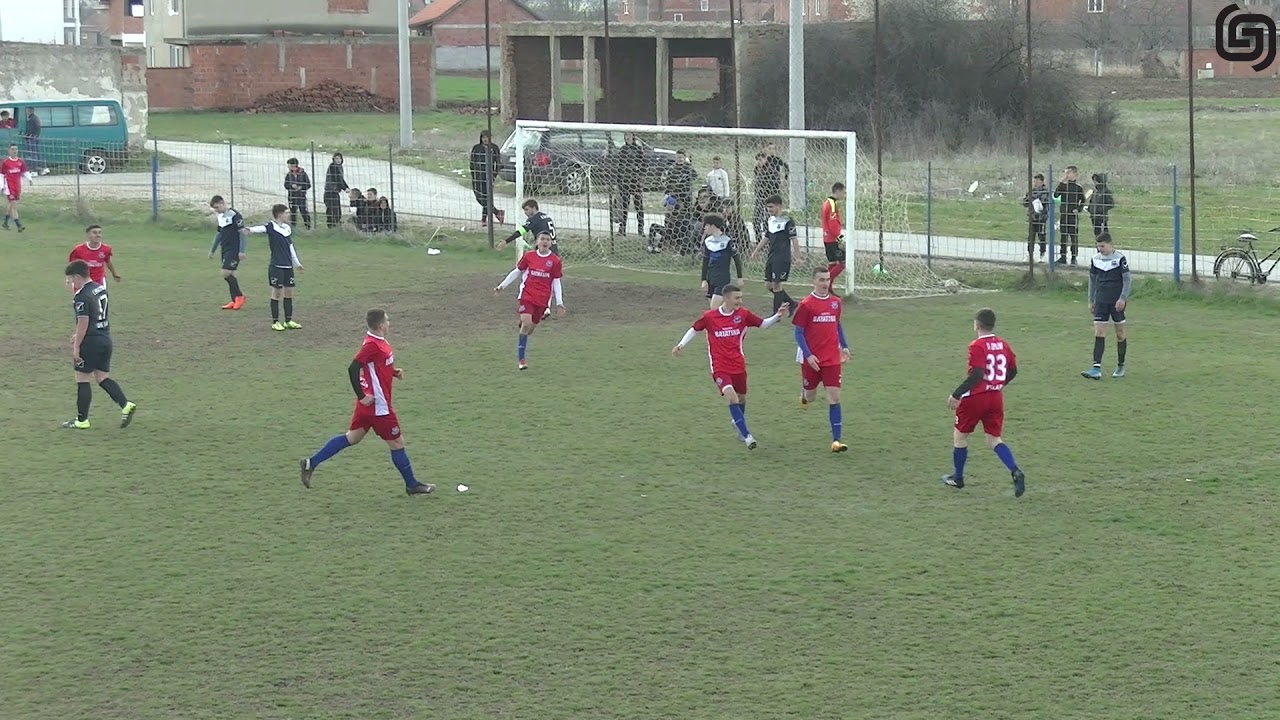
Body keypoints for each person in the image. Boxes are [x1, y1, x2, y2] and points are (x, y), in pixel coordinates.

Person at [299, 309, 435, 495]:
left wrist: (392, 372)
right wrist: (362, 396)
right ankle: (411, 485)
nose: (389, 323)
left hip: (369, 405)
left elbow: (375, 365)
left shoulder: (377, 341)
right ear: (380, 325)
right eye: (387, 320)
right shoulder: (372, 345)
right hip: (377, 406)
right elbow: (353, 368)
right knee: (397, 443)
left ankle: (310, 463)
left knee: (352, 437)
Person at [671, 285, 789, 450]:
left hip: (738, 365)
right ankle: (747, 436)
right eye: (737, 298)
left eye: (741, 298)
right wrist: (681, 345)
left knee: (741, 399)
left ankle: (737, 422)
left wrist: (777, 316)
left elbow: (763, 324)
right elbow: (694, 329)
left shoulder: (743, 314)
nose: (740, 301)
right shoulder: (710, 317)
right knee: (732, 397)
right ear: (726, 299)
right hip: (720, 367)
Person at [943, 307, 1025, 497]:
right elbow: (1013, 371)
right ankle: (1015, 471)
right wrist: (998, 384)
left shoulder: (976, 346)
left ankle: (958, 478)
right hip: (995, 397)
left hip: (975, 399)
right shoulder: (1003, 345)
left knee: (960, 438)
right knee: (993, 440)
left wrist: (956, 394)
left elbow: (977, 374)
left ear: (977, 325)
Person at [62, 260, 138, 430]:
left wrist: (76, 346)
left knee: (82, 379)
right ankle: (125, 405)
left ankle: (82, 420)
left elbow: (84, 321)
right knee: (102, 377)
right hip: (105, 339)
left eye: (72, 279)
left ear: (76, 276)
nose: (72, 283)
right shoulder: (99, 288)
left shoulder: (81, 296)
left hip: (90, 342)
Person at [793, 267, 851, 453]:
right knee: (810, 397)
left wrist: (845, 346)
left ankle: (836, 441)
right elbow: (798, 332)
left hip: (832, 359)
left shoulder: (836, 302)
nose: (826, 283)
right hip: (812, 359)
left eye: (827, 280)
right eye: (821, 280)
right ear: (813, 282)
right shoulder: (806, 305)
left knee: (834, 397)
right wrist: (808, 355)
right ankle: (803, 394)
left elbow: (837, 325)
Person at [493, 232, 565, 371]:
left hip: (542, 300)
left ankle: (524, 324)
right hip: (527, 296)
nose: (545, 241)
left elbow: (556, 282)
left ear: (551, 243)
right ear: (537, 242)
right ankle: (521, 360)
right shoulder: (529, 256)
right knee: (526, 325)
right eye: (542, 239)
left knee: (529, 329)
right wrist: (502, 286)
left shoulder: (555, 261)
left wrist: (559, 303)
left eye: (548, 239)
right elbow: (516, 272)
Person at [1081, 232, 1131, 379]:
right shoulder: (1095, 260)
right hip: (1101, 301)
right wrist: (1091, 300)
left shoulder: (1120, 259)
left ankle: (1120, 365)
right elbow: (1092, 280)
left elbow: (1127, 280)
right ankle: (1096, 369)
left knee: (1120, 334)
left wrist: (1122, 298)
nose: (1100, 249)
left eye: (1102, 246)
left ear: (1110, 244)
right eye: (1098, 246)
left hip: (1116, 303)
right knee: (1099, 333)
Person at [248, 204, 304, 331]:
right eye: (286, 213)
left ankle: (288, 320)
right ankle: (275, 321)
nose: (289, 215)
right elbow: (260, 228)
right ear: (280, 214)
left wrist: (297, 264)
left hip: (288, 266)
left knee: (288, 292)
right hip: (276, 266)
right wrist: (249, 230)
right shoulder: (271, 227)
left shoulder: (287, 229)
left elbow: (290, 247)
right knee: (277, 292)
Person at [750, 194, 799, 314]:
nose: (769, 210)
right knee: (768, 285)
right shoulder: (770, 220)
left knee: (776, 285)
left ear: (779, 206)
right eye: (767, 207)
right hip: (771, 256)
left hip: (782, 257)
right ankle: (791, 303)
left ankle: (775, 314)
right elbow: (766, 237)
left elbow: (794, 239)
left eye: (771, 207)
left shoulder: (787, 221)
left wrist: (798, 257)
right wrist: (756, 251)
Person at [208, 195, 247, 310]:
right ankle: (234, 300)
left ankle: (240, 296)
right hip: (224, 249)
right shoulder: (220, 217)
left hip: (234, 249)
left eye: (217, 207)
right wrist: (213, 250)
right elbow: (219, 234)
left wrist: (242, 250)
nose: (216, 210)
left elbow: (242, 233)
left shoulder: (235, 215)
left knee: (226, 272)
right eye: (214, 208)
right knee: (232, 274)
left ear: (222, 203)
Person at [700, 213, 744, 309]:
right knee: (718, 310)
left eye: (706, 225)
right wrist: (703, 280)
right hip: (710, 278)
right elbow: (705, 261)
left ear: (712, 225)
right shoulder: (708, 241)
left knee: (713, 309)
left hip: (722, 279)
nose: (704, 228)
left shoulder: (727, 241)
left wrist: (740, 277)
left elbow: (736, 259)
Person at [470, 130, 505, 226]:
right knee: (479, 197)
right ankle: (497, 212)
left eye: (487, 137)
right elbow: (472, 163)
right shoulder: (476, 148)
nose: (485, 139)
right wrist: (474, 175)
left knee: (487, 197)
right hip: (478, 176)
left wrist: (493, 175)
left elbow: (498, 163)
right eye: (483, 137)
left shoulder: (494, 148)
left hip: (488, 176)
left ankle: (484, 219)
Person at [614, 132, 645, 236]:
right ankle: (622, 229)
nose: (628, 137)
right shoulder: (622, 150)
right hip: (625, 182)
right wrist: (619, 181)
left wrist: (640, 177)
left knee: (639, 206)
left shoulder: (639, 150)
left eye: (629, 135)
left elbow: (644, 165)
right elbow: (619, 166)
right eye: (626, 135)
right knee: (624, 206)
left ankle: (641, 230)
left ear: (633, 137)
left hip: (635, 182)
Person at [1053, 165, 1085, 265]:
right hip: (1064, 214)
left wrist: (1078, 209)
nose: (1066, 175)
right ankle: (1063, 256)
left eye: (1068, 173)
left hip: (1072, 215)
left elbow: (1082, 200)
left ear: (1074, 174)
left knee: (1073, 237)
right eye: (1065, 173)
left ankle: (1074, 257)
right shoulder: (1063, 186)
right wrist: (1061, 183)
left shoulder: (1078, 187)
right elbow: (1056, 195)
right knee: (1063, 236)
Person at [820, 182, 847, 283]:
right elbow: (832, 222)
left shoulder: (826, 202)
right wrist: (839, 236)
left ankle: (828, 288)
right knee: (843, 262)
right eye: (843, 193)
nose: (844, 195)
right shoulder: (832, 204)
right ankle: (825, 283)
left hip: (827, 238)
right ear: (838, 191)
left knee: (832, 263)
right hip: (832, 239)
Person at [2, 143, 30, 232]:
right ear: (9, 151)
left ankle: (5, 222)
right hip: (9, 187)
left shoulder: (20, 161)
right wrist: (1, 186)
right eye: (13, 149)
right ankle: (19, 225)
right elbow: (1, 175)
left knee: (11, 204)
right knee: (14, 205)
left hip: (17, 186)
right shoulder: (5, 162)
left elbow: (25, 171)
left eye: (16, 149)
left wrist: (30, 179)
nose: (15, 151)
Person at [1023, 173, 1050, 263]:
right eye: (1034, 181)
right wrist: (1029, 199)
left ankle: (1042, 254)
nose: (1035, 183)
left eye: (1037, 181)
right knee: (1031, 236)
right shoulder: (1031, 191)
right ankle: (1029, 254)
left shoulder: (1045, 191)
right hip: (1032, 217)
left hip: (1041, 218)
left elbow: (1044, 201)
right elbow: (1025, 202)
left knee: (1041, 236)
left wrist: (1034, 200)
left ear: (1042, 182)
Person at [284, 157, 312, 230]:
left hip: (301, 196)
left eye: (290, 165)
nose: (289, 167)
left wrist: (301, 187)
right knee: (293, 212)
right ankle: (293, 227)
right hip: (292, 196)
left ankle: (308, 226)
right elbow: (286, 185)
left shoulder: (303, 174)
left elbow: (308, 184)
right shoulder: (288, 175)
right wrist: (291, 186)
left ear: (295, 165)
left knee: (303, 211)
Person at [322, 152, 348, 229]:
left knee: (337, 209)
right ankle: (331, 225)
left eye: (339, 158)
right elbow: (337, 179)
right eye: (336, 158)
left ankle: (336, 223)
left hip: (335, 191)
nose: (338, 160)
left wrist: (346, 187)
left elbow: (341, 179)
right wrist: (344, 188)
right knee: (331, 209)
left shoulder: (339, 167)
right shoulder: (333, 166)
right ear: (333, 159)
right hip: (330, 191)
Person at [1087, 172, 1115, 238]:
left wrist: (1101, 209)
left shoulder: (1106, 191)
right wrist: (1089, 208)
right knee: (1096, 233)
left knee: (1103, 234)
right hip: (1093, 216)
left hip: (1101, 217)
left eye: (1096, 181)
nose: (1094, 182)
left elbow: (1111, 203)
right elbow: (1092, 201)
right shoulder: (1095, 191)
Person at [22, 107, 47, 175]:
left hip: (32, 138)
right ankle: (39, 168)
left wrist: (30, 135)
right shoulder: (32, 118)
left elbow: (36, 127)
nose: (26, 111)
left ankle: (35, 169)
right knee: (34, 153)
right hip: (32, 137)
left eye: (27, 110)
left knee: (33, 153)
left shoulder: (33, 118)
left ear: (30, 110)